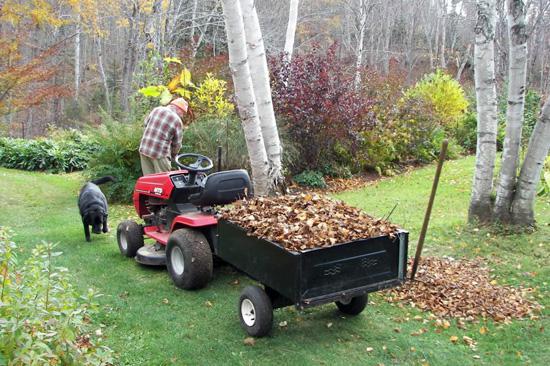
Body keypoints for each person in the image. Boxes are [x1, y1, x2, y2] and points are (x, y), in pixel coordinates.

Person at [139, 97, 189, 175]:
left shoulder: (156, 110)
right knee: (163, 182)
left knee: (149, 181)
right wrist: (173, 156)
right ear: (179, 109)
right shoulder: (177, 120)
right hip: (159, 154)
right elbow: (177, 144)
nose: (182, 115)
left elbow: (145, 125)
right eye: (183, 113)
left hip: (144, 149)